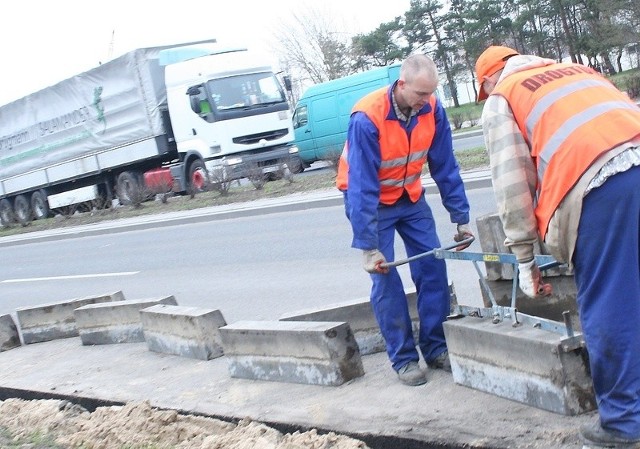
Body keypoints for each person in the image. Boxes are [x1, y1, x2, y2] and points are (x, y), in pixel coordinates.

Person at [475, 45, 640, 448]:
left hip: (603, 187)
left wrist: (525, 257)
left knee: (610, 303)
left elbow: (513, 186)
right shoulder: (577, 69)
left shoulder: (504, 96)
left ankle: (624, 422)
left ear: (489, 79)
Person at [336, 54, 474, 387]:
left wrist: (461, 218)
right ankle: (404, 359)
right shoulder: (367, 118)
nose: (426, 102)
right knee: (386, 281)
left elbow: (445, 166)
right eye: (420, 95)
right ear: (402, 85)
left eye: (431, 94)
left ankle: (436, 347)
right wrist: (368, 247)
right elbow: (362, 187)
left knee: (433, 267)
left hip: (409, 197)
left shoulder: (433, 110)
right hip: (370, 202)